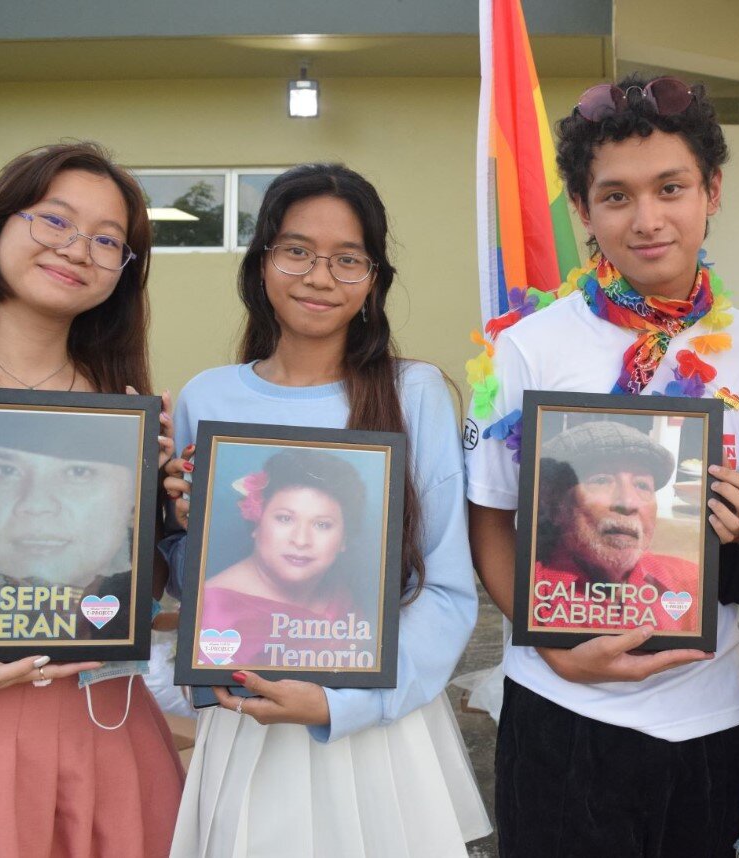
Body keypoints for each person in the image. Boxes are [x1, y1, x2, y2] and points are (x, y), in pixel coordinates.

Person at [466, 73, 739, 856]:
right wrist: (550, 646)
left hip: (709, 713)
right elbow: (490, 523)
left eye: (670, 188)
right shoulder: (524, 346)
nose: (646, 220)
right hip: (559, 711)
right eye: (615, 197)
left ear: (711, 190)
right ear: (581, 209)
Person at [162, 163, 489, 857]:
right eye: (297, 251)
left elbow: (450, 588)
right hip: (244, 710)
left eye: (347, 259)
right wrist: (187, 530)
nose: (319, 276)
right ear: (262, 264)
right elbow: (198, 586)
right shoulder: (207, 397)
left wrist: (344, 705)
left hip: (375, 720)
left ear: (374, 279)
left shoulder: (416, 392)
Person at [0, 142, 183, 857]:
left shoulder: (125, 413)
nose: (79, 249)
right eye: (55, 221)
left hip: (105, 731)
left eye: (109, 241)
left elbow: (144, 602)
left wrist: (156, 514)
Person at [0, 410, 141, 643]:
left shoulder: (136, 611)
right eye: (5, 471)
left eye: (78, 472)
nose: (36, 504)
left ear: (135, 500)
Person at [198, 447, 379, 667]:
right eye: (284, 519)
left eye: (322, 525)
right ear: (256, 521)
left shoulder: (340, 592)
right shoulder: (212, 611)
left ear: (344, 538)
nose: (301, 540)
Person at [531, 420, 700, 633]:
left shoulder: (691, 582)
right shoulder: (527, 589)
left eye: (642, 485)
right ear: (556, 507)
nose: (628, 503)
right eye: (601, 480)